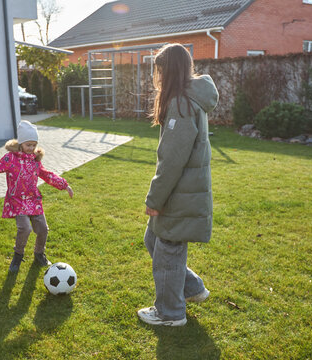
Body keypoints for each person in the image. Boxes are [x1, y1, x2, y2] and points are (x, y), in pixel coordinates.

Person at [137, 43, 219, 326]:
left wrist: (154, 200)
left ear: (169, 71)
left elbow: (171, 161)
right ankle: (192, 288)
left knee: (168, 248)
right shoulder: (186, 100)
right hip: (182, 193)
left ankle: (170, 313)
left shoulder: (181, 105)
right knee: (154, 239)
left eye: (158, 69)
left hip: (179, 195)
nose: (156, 75)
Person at [0, 120, 74, 274]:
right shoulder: (10, 159)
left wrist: (64, 185)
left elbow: (47, 175)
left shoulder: (35, 161)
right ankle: (18, 255)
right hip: (17, 200)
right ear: (21, 144)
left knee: (42, 229)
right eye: (28, 145)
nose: (32, 148)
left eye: (34, 145)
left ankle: (39, 253)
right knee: (25, 228)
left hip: (33, 199)